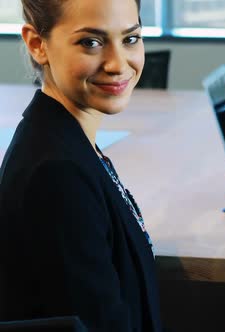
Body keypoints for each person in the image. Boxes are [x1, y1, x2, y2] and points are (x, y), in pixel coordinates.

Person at [0, 0, 162, 331]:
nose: (118, 64)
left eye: (130, 39)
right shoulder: (57, 174)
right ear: (37, 44)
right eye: (91, 42)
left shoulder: (67, 140)